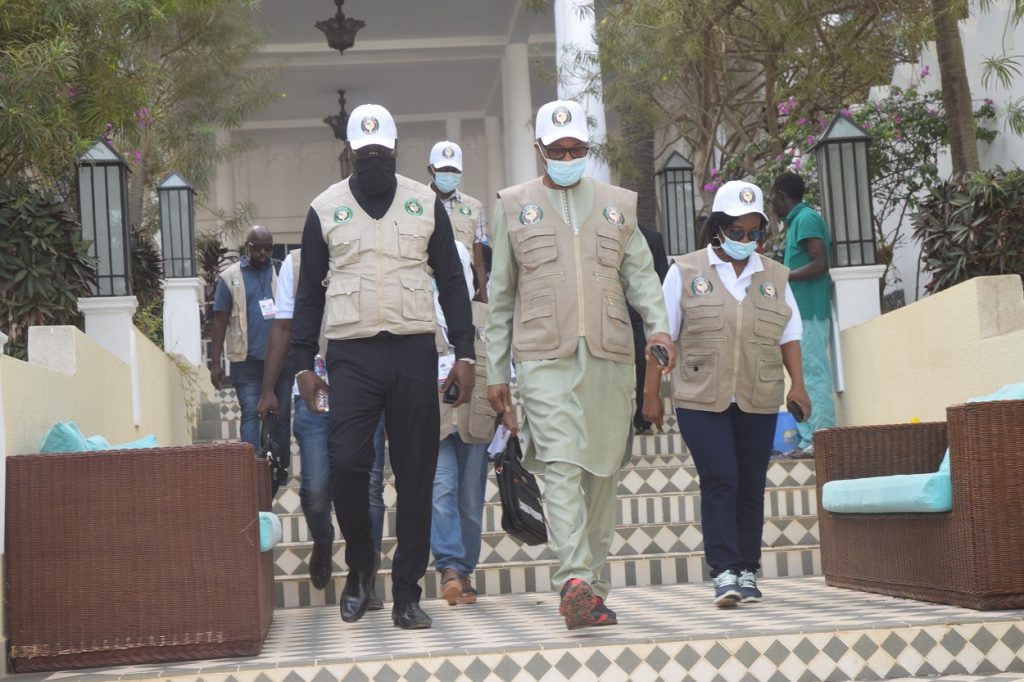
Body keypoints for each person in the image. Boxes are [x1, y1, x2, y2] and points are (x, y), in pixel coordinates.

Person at [485, 99, 675, 630]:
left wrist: (658, 327)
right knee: (563, 464)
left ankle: (592, 588)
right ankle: (573, 579)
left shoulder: (617, 204)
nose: (568, 158)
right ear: (539, 149)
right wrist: (496, 372)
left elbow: (641, 276)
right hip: (543, 356)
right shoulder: (513, 205)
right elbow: (501, 296)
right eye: (559, 150)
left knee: (602, 473)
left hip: (610, 356)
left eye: (577, 150)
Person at [290, 103, 475, 631]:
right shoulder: (324, 209)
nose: (372, 159)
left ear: (395, 150)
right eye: (363, 153)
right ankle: (360, 568)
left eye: (381, 151)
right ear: (350, 154)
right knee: (348, 464)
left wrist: (464, 354)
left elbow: (452, 283)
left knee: (416, 475)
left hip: (415, 351)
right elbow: (309, 293)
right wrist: (304, 365)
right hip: (352, 356)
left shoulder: (424, 203)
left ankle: (408, 594)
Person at [647, 180, 811, 607]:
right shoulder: (684, 271)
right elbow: (662, 336)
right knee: (721, 477)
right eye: (737, 231)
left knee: (751, 483)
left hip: (759, 392)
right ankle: (724, 571)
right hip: (700, 396)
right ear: (717, 227)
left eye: (754, 232)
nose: (745, 240)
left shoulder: (774, 275)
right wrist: (651, 395)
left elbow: (789, 335)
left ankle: (747, 569)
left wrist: (799, 386)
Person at [255, 249, 384, 610]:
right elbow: (283, 327)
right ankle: (323, 538)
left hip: (367, 392)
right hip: (313, 394)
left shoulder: (370, 252)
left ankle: (365, 577)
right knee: (315, 488)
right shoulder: (296, 264)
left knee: (370, 488)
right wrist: (268, 389)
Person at [426, 174, 497, 607]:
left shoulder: (485, 317)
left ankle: (465, 571)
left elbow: (503, 367)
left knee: (471, 500)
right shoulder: (418, 314)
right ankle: (449, 567)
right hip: (432, 420)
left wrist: (507, 418)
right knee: (441, 490)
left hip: (477, 420)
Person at [209, 225, 292, 482]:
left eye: (268, 248)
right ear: (248, 247)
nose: (263, 253)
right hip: (246, 362)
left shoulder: (281, 272)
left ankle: (279, 468)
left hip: (281, 363)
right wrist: (215, 363)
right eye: (258, 248)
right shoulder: (230, 277)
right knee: (250, 413)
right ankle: (252, 469)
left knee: (281, 417)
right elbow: (220, 321)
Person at [770, 171, 835, 458]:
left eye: (773, 197)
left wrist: (783, 276)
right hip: (800, 314)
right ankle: (809, 438)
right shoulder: (797, 222)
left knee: (813, 375)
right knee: (804, 376)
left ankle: (821, 440)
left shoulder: (807, 219)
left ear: (782, 195)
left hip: (810, 311)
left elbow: (820, 263)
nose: (772, 203)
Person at [427, 140, 490, 302]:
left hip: (464, 289)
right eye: (444, 169)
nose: (449, 174)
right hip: (427, 290)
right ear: (431, 170)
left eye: (454, 170)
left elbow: (478, 260)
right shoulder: (418, 204)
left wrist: (483, 297)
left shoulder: (474, 207)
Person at [630, 225, 669, 434]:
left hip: (642, 317)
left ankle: (642, 419)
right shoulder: (606, 231)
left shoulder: (653, 237)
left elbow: (662, 275)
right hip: (613, 315)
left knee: (644, 365)